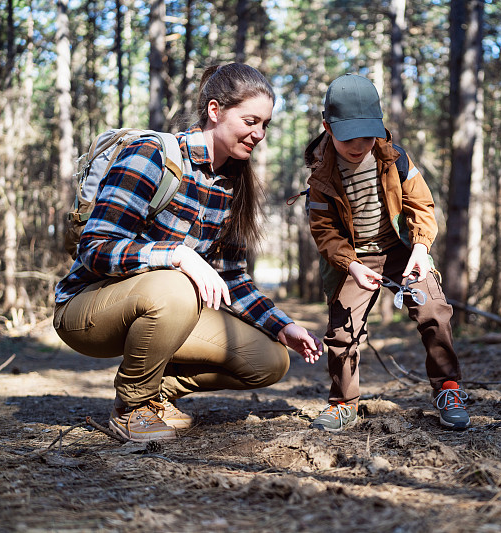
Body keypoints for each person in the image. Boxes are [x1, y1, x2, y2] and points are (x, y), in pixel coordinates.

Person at [53, 63, 323, 443]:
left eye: (265, 124)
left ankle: (156, 393)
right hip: (88, 308)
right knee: (177, 286)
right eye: (250, 121)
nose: (259, 134)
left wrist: (283, 326)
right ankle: (132, 406)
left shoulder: (232, 185)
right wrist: (178, 255)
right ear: (215, 111)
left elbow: (232, 277)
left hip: (165, 308)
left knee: (269, 361)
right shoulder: (152, 155)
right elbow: (96, 248)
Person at [303, 73, 469, 431]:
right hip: (353, 258)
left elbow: (421, 205)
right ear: (327, 127)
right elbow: (325, 233)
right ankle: (343, 403)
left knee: (434, 310)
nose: (359, 145)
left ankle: (449, 389)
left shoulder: (395, 157)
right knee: (343, 331)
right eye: (349, 137)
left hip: (401, 249)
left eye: (367, 136)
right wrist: (350, 265)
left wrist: (421, 248)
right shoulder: (320, 175)